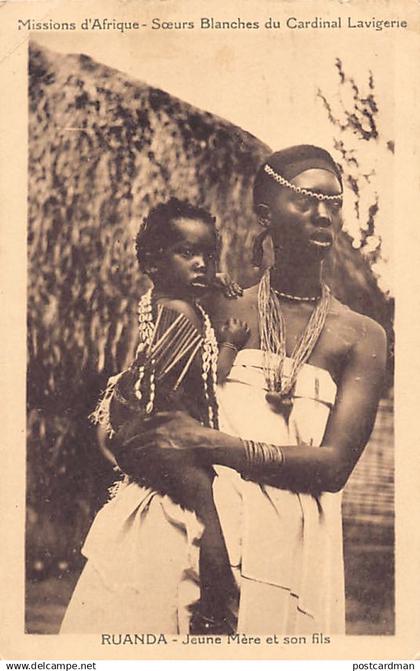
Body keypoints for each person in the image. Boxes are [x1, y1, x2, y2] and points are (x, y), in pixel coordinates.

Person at [118, 145, 387, 634]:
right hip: (193, 531)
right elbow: (144, 409)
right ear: (266, 214)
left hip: (295, 545)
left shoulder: (362, 335)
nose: (323, 214)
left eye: (333, 202)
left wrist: (210, 443)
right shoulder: (217, 308)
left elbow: (333, 466)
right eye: (305, 201)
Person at [60, 198, 248, 635]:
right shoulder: (182, 315)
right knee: (211, 517)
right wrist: (231, 345)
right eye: (188, 254)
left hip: (156, 435)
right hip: (175, 442)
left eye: (209, 255)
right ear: (152, 261)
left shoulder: (159, 304)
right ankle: (217, 605)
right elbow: (207, 382)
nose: (202, 264)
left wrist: (210, 284)